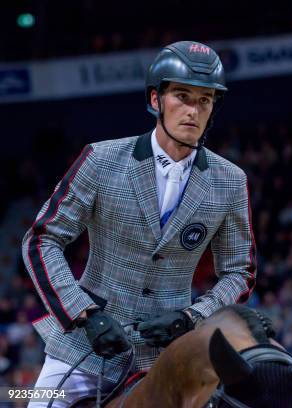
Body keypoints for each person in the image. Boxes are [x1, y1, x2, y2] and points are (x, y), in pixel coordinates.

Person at [21, 40, 257, 407]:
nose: (193, 110)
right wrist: (85, 314)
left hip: (170, 353)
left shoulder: (231, 180)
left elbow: (240, 272)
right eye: (182, 96)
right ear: (154, 100)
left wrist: (192, 316)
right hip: (84, 347)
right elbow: (42, 240)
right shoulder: (102, 159)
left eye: (205, 100)